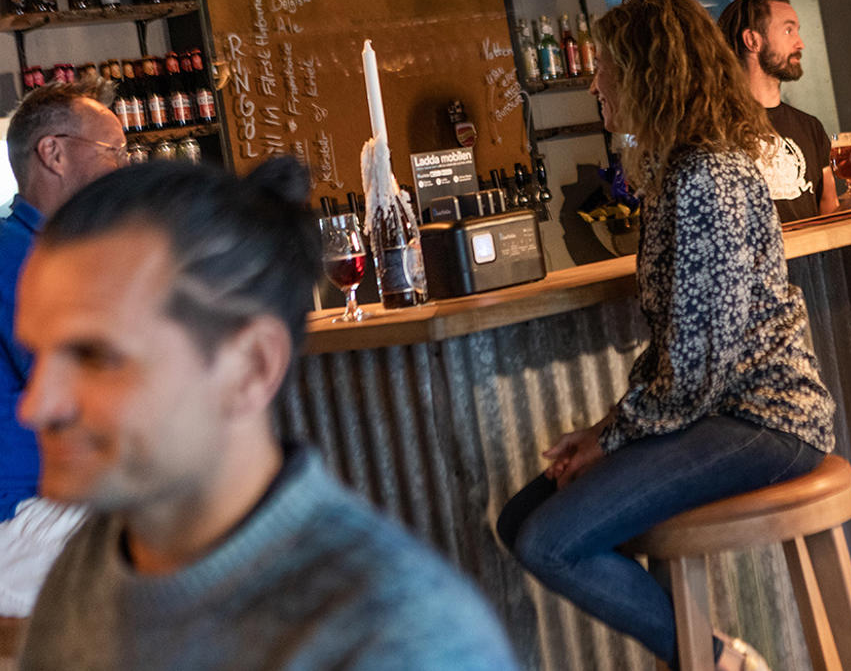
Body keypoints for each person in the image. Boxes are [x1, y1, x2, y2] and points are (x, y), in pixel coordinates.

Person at [16, 157, 518, 670]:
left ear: (251, 367)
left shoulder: (402, 636)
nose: (36, 406)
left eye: (96, 357)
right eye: (38, 354)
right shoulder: (90, 565)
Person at [498, 0, 836, 671]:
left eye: (606, 68)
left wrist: (611, 438)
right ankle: (706, 656)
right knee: (521, 521)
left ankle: (716, 661)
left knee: (546, 541)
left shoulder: (705, 177)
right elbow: (681, 361)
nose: (594, 84)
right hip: (715, 412)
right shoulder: (678, 171)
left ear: (648, 74)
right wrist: (606, 431)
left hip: (765, 419)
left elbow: (698, 369)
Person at [0, 79, 125, 618]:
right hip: (18, 517)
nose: (125, 167)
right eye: (113, 150)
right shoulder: (17, 256)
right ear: (52, 153)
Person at [718, 0, 839, 221]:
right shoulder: (714, 126)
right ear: (753, 40)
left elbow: (830, 215)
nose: (800, 43)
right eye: (788, 30)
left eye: (797, 31)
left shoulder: (809, 126)